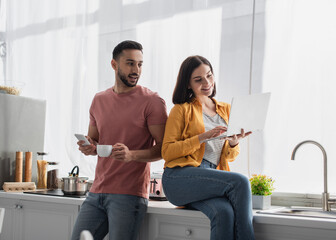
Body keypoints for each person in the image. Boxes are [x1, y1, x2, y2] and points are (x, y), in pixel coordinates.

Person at [71, 40, 168, 240]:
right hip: (96, 191)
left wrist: (131, 155)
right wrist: (89, 147)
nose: (136, 70)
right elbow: (95, 142)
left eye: (140, 64)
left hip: (129, 195)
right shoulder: (99, 99)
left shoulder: (152, 101)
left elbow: (164, 149)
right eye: (130, 63)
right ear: (114, 64)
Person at [161, 55, 255, 240]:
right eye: (198, 79)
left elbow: (227, 156)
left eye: (209, 76)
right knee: (241, 182)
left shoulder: (226, 109)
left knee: (224, 213)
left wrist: (234, 142)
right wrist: (201, 138)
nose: (207, 83)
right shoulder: (181, 110)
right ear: (187, 84)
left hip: (210, 176)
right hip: (180, 177)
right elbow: (167, 151)